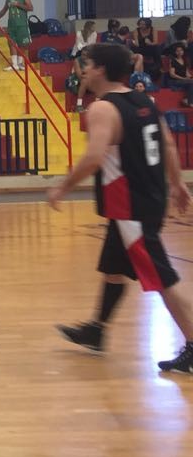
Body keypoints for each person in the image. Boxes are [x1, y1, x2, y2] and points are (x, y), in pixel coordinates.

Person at [49, 43, 193, 374]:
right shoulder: (145, 99)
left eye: (87, 64)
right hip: (149, 199)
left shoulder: (102, 108)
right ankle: (97, 331)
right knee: (114, 267)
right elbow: (168, 143)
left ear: (100, 69)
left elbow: (93, 157)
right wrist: (177, 183)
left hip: (131, 207)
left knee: (162, 279)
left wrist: (63, 187)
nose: (83, 69)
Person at [0, 0, 33, 71]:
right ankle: (14, 64)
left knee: (23, 44)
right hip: (11, 25)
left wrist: (18, 4)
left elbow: (30, 8)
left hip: (22, 25)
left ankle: (20, 63)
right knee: (11, 43)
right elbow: (4, 9)